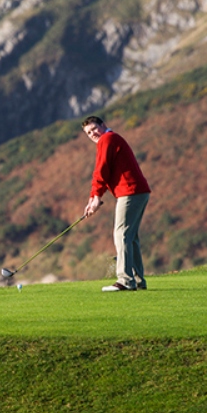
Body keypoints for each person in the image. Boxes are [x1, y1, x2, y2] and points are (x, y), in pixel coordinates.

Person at [82, 116, 152, 291]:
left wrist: (97, 197)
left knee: (121, 234)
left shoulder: (107, 138)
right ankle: (137, 280)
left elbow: (101, 169)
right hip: (137, 192)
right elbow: (103, 171)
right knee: (131, 237)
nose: (92, 134)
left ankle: (125, 280)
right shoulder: (109, 139)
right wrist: (93, 198)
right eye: (88, 133)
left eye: (94, 129)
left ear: (103, 125)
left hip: (130, 192)